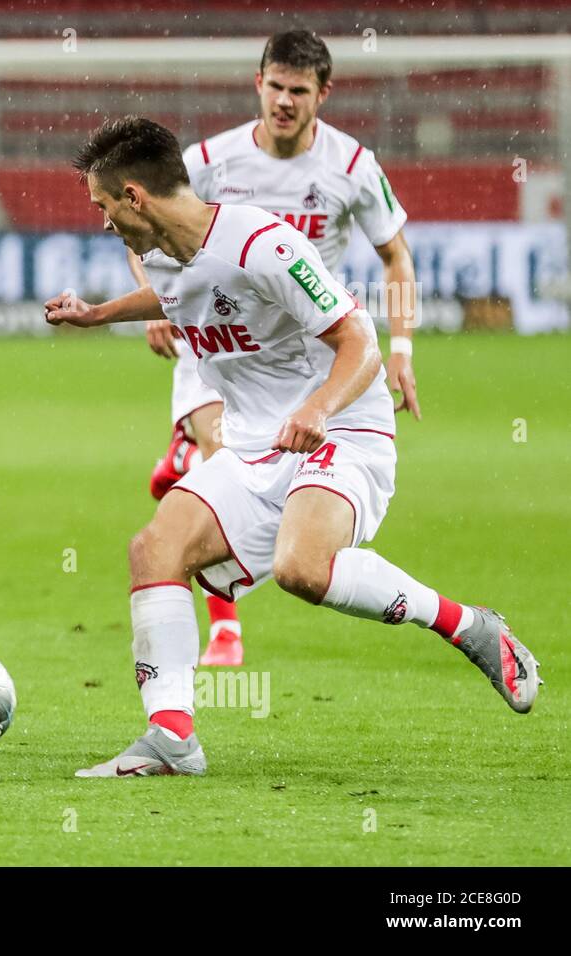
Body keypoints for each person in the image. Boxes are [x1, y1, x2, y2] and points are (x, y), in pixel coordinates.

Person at [45, 117, 539, 778]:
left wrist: (316, 408)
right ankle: (171, 739)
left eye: (104, 206)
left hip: (341, 431)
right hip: (257, 445)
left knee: (305, 568)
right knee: (155, 548)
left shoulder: (262, 245)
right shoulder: (166, 253)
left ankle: (467, 624)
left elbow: (358, 340)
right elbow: (173, 294)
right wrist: (99, 314)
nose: (103, 222)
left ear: (135, 196)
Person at [134, 30, 421, 666]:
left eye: (298, 90)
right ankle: (225, 631)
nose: (284, 101)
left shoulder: (351, 167)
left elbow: (395, 256)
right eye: (275, 86)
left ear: (323, 94)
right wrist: (157, 297)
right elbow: (138, 217)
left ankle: (188, 470)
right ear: (257, 83)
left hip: (299, 358)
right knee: (219, 458)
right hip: (218, 340)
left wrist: (400, 347)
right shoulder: (210, 159)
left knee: (274, 515)